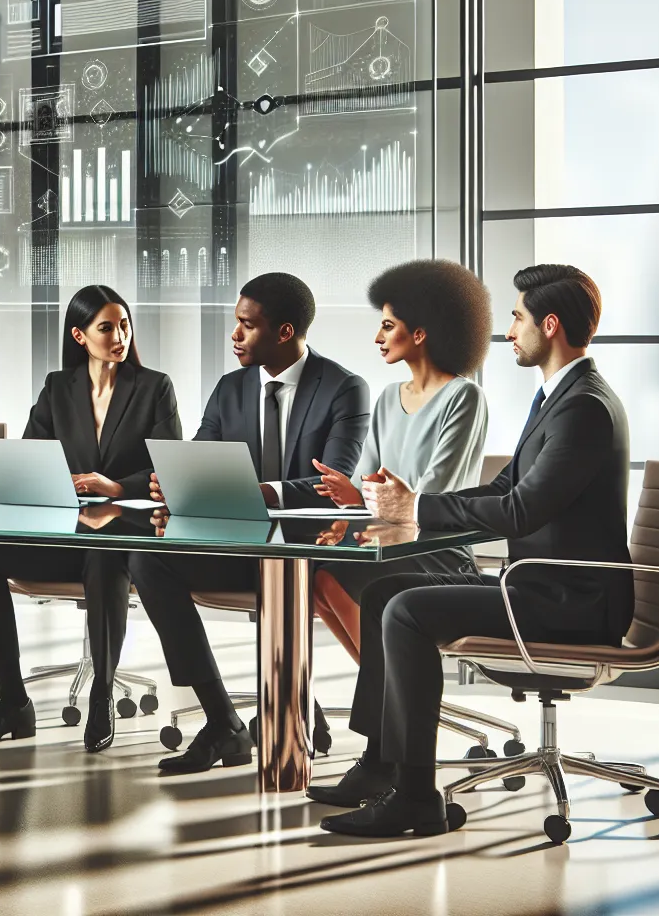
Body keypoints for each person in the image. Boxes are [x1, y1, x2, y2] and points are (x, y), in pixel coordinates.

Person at [318, 263, 631, 839]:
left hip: (569, 600)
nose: (509, 330)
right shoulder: (557, 400)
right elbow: (505, 487)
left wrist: (417, 510)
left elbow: (520, 511)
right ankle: (383, 761)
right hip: (540, 586)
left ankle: (415, 798)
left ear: (550, 325)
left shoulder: (585, 407)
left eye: (517, 318)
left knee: (407, 610)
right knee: (389, 590)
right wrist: (419, 502)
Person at [129, 272, 370, 775]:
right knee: (149, 559)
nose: (235, 335)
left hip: (307, 554)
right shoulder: (230, 388)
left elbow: (333, 484)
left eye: (247, 325)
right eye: (234, 323)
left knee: (278, 569)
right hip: (240, 548)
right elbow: (201, 460)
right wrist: (176, 484)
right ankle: (222, 720)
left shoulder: (343, 389)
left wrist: (262, 493)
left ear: (284, 332)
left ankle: (290, 707)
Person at [0, 285, 182, 752]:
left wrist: (116, 487)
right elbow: (29, 455)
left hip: (127, 530)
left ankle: (102, 692)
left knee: (101, 557)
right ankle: (13, 700)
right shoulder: (58, 387)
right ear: (79, 335)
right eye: (106, 328)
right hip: (65, 529)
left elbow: (170, 466)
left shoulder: (154, 386)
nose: (120, 335)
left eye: (124, 324)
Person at [305, 260, 492, 669]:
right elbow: (365, 484)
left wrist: (379, 496)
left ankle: (395, 694)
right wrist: (353, 491)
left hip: (439, 554)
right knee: (317, 576)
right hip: (383, 544)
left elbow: (433, 494)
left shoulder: (464, 397)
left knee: (330, 573)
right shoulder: (389, 396)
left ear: (420, 333)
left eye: (388, 326)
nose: (378, 337)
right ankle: (391, 689)